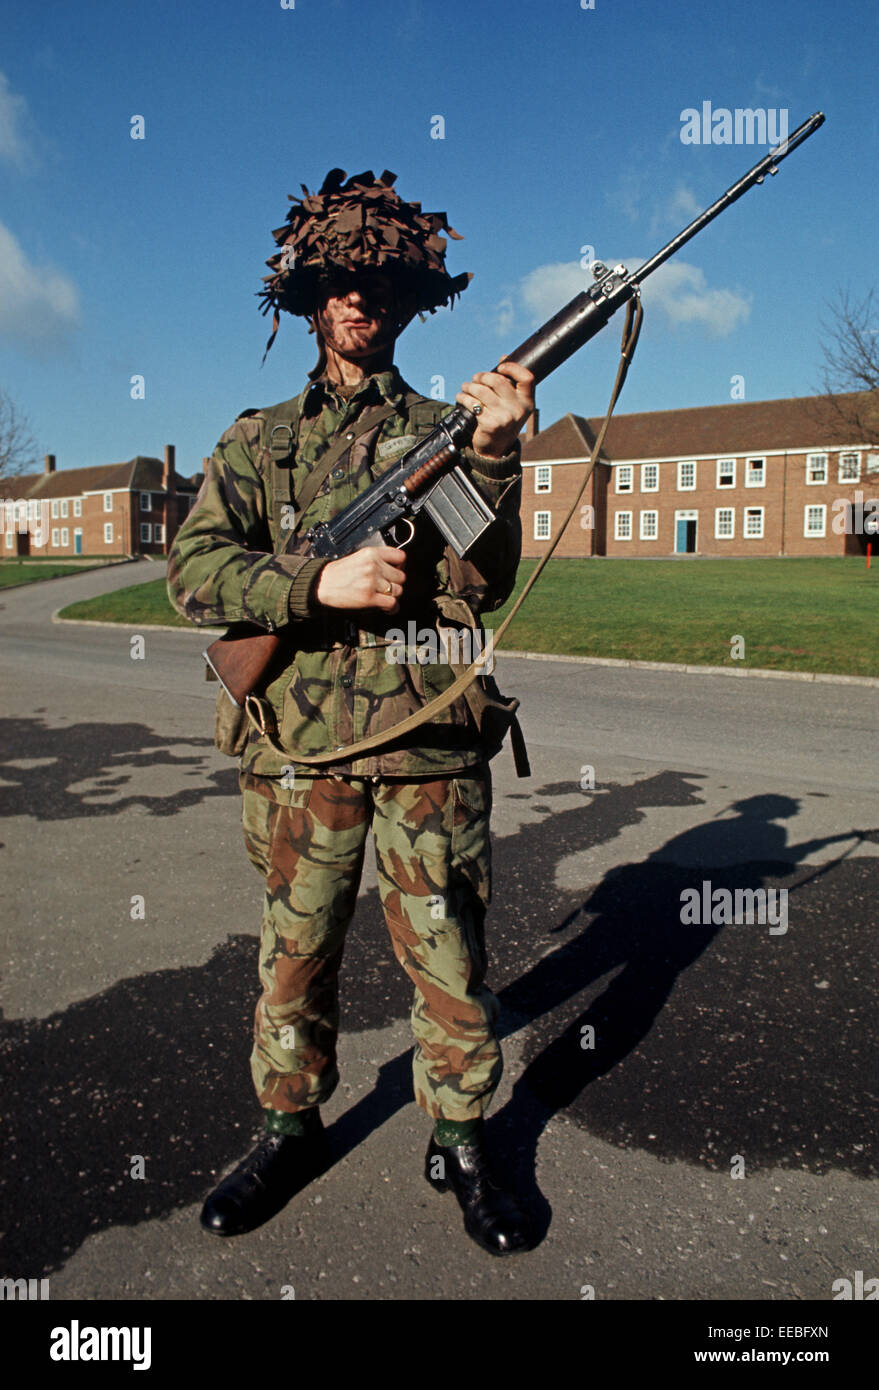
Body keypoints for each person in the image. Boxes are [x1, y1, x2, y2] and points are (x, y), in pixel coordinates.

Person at [166, 168, 536, 1256]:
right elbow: (191, 572)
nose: (356, 299)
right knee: (295, 949)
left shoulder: (448, 429)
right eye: (336, 281)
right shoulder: (258, 441)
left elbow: (482, 578)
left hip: (422, 743)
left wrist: (499, 449)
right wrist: (307, 588)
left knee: (449, 951)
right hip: (298, 751)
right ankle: (287, 1126)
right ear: (309, 298)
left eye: (376, 282)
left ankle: (462, 1137)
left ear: (406, 301)